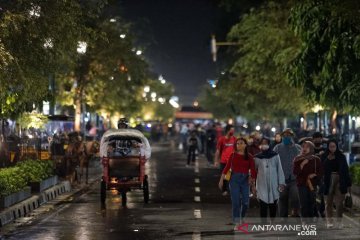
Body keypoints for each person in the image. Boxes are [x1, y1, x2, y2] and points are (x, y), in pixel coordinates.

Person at [218, 138, 256, 230]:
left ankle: (242, 218)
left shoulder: (250, 157)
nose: (239, 145)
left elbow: (253, 171)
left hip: (245, 180)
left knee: (246, 203)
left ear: (245, 145)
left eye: (241, 143)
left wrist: (253, 185)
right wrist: (221, 180)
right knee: (236, 202)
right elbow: (226, 168)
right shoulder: (233, 155)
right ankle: (237, 222)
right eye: (237, 143)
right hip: (234, 180)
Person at [254, 138, 285, 224]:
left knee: (273, 203)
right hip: (261, 183)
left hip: (274, 183)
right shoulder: (257, 157)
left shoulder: (275, 155)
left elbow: (280, 169)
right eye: (262, 143)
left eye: (266, 143)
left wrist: (281, 183)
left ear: (269, 144)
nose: (264, 145)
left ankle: (272, 221)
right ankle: (263, 223)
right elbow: (253, 170)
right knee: (263, 203)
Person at [322, 139, 352, 228]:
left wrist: (348, 184)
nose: (332, 148)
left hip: (340, 179)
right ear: (328, 147)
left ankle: (339, 222)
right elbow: (321, 167)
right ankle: (329, 222)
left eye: (334, 146)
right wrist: (327, 159)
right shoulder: (324, 155)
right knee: (328, 202)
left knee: (339, 202)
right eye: (330, 146)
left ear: (336, 146)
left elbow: (346, 170)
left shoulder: (341, 156)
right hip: (328, 179)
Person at [273, 128, 302, 220]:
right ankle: (283, 217)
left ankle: (295, 211)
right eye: (284, 135)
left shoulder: (298, 148)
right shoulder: (277, 148)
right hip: (281, 179)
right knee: (282, 198)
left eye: (288, 135)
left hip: (294, 178)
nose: (286, 137)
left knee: (295, 197)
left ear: (292, 136)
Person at [293, 141, 322, 224]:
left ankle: (312, 218)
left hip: (312, 184)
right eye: (303, 147)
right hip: (301, 184)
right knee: (303, 202)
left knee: (312, 201)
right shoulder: (297, 159)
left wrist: (315, 174)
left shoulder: (316, 159)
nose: (305, 149)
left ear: (311, 148)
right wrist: (302, 164)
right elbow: (295, 172)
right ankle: (304, 220)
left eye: (307, 147)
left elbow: (320, 172)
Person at [215, 125, 237, 196]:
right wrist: (216, 161)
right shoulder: (221, 139)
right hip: (224, 161)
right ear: (227, 130)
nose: (233, 132)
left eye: (233, 130)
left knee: (232, 176)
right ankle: (224, 190)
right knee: (224, 176)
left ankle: (232, 190)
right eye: (231, 130)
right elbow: (218, 150)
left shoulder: (234, 139)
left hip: (233, 161)